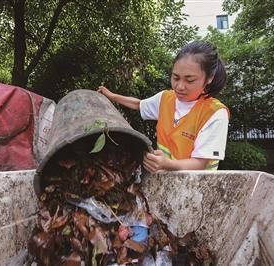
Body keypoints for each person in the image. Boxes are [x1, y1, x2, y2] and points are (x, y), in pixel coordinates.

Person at [98, 40, 229, 174]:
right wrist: (112, 96)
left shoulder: (215, 113)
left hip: (199, 187)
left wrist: (167, 164)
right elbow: (138, 104)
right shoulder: (165, 99)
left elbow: (200, 163)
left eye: (189, 80)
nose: (179, 86)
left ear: (209, 78)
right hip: (165, 181)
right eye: (175, 77)